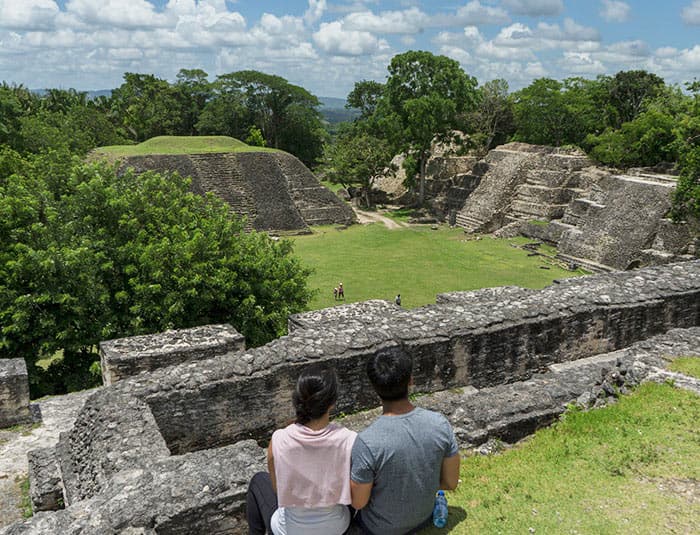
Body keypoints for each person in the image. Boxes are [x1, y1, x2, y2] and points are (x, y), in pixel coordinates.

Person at [350, 349, 460, 535]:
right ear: (410, 380)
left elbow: (358, 502)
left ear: (374, 387)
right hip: (422, 518)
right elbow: (450, 482)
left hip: (379, 527)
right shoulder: (439, 424)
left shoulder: (368, 442)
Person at [246, 367, 357, 534]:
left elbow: (279, 491)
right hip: (336, 527)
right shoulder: (349, 440)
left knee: (258, 481)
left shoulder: (279, 440)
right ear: (332, 403)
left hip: (289, 529)